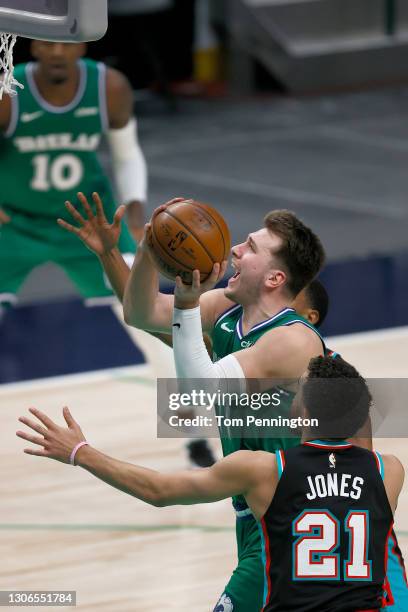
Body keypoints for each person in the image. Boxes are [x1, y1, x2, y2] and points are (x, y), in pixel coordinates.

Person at [16, 355, 405, 612]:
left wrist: (80, 451)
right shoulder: (388, 471)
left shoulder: (262, 470)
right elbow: (354, 436)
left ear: (299, 411)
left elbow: (158, 491)